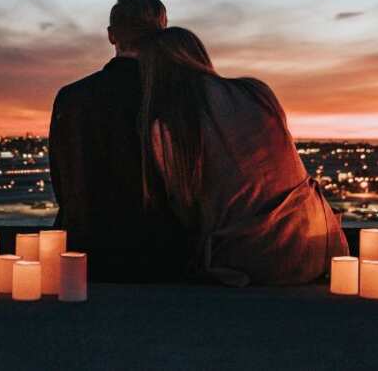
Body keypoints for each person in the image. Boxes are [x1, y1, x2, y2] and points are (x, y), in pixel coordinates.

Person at [138, 26, 348, 286]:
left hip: (253, 261)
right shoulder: (256, 91)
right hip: (320, 244)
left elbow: (185, 210)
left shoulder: (170, 126)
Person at [47, 0, 186, 281]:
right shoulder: (176, 96)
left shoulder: (71, 98)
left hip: (84, 255)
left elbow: (63, 183)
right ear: (163, 34)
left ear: (112, 36)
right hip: (160, 258)